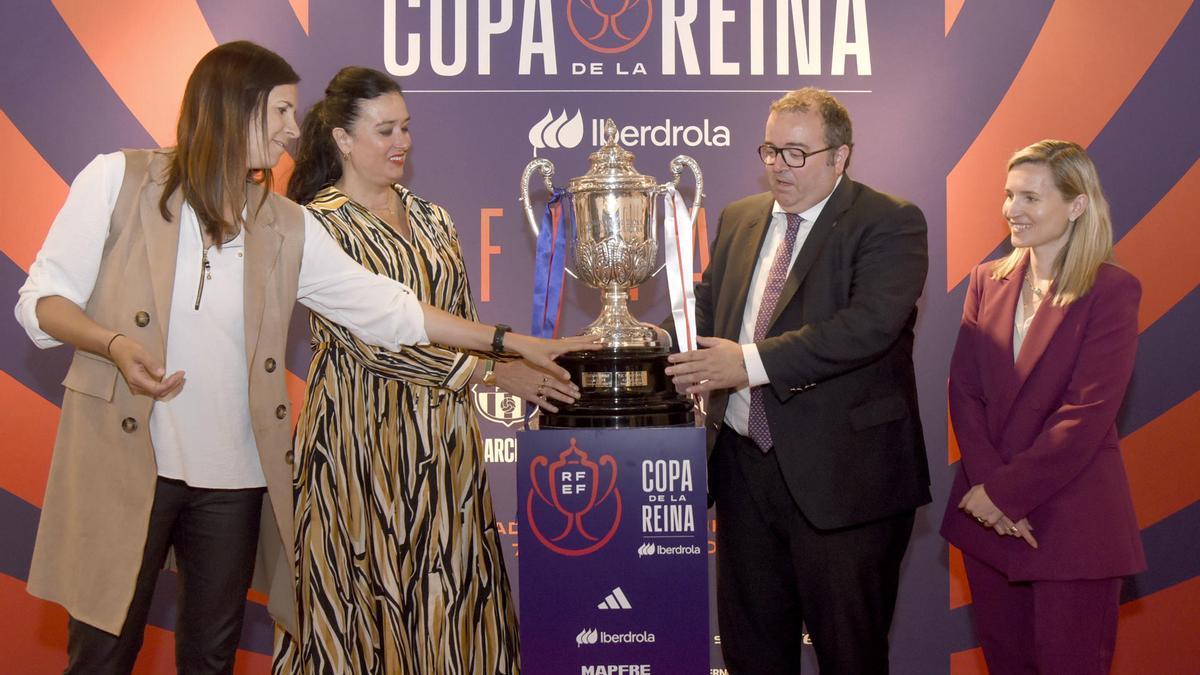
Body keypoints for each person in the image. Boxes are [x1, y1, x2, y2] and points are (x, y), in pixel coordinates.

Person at [15, 42, 590, 674]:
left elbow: (386, 308)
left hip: (233, 478)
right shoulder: (118, 179)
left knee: (210, 657)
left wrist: (508, 341)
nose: (295, 129)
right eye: (282, 111)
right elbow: (41, 302)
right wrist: (115, 345)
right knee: (104, 653)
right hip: (127, 461)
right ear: (234, 108)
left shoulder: (284, 222)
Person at [271, 66, 570, 674]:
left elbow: (462, 319)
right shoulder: (316, 224)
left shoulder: (433, 217)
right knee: (360, 606)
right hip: (358, 446)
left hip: (445, 446)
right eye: (385, 130)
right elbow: (373, 340)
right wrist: (494, 373)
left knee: (454, 597)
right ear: (342, 140)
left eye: (406, 127)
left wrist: (515, 363)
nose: (401, 141)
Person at [664, 87, 930, 673]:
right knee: (751, 651)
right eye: (769, 151)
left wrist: (747, 363)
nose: (777, 167)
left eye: (796, 154)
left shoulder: (889, 222)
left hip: (845, 478)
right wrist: (639, 342)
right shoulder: (739, 218)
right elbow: (702, 312)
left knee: (850, 655)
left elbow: (867, 327)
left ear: (841, 156)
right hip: (743, 469)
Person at [940, 140, 1145, 674]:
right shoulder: (988, 280)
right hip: (989, 520)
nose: (1012, 210)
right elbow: (964, 391)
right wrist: (989, 494)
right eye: (1008, 195)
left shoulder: (1112, 290)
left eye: (1030, 197)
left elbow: (1086, 414)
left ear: (1077, 205)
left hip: (1071, 524)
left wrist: (1005, 495)